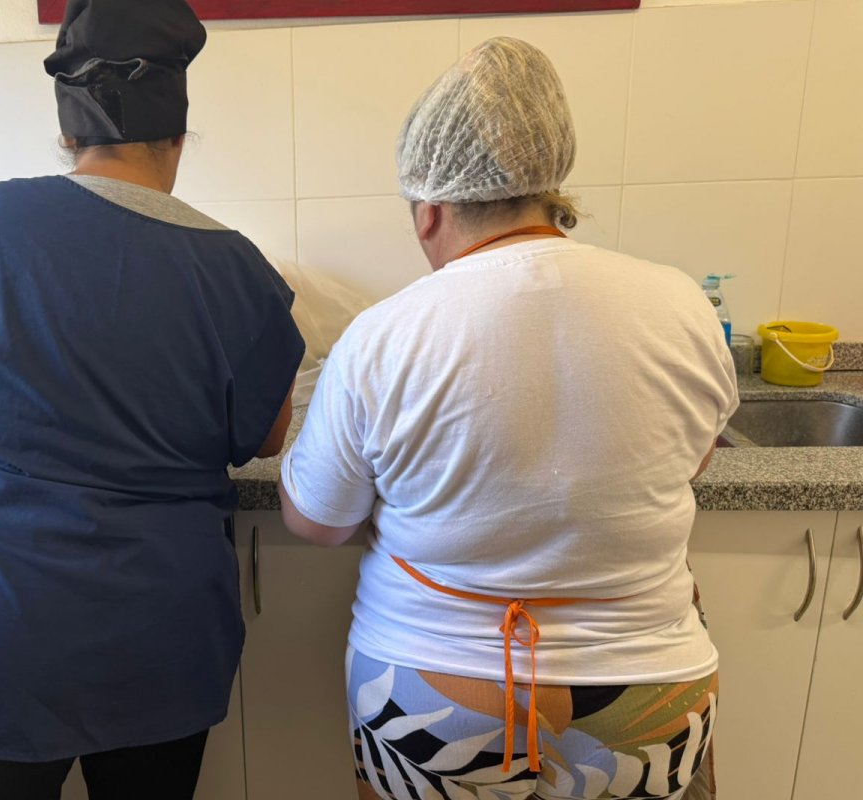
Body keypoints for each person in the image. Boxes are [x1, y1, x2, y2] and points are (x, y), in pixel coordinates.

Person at [278, 38, 737, 800]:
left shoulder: (383, 335)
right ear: (551, 190)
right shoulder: (681, 305)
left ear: (429, 211)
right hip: (648, 694)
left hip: (430, 693)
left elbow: (316, 521)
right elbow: (693, 459)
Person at [0, 1, 304, 798]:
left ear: (67, 135)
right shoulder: (239, 271)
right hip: (154, 636)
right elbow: (268, 435)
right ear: (178, 136)